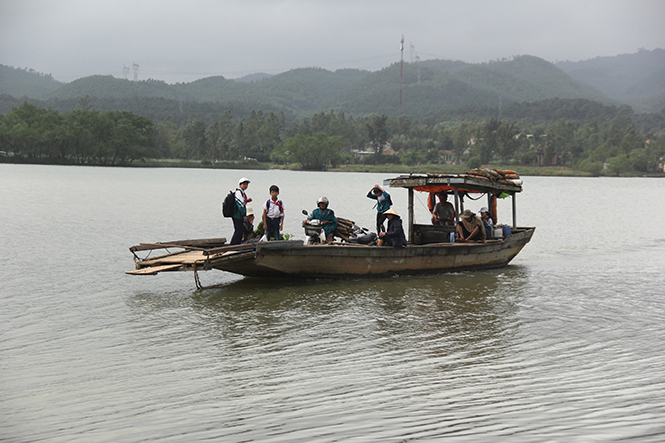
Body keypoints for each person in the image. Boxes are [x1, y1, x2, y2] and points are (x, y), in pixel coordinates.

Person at [230, 177, 252, 245]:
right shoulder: (238, 193)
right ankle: (233, 245)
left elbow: (241, 203)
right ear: (240, 184)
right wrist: (244, 215)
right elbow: (240, 205)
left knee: (239, 231)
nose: (245, 186)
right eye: (244, 184)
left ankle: (236, 245)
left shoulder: (241, 193)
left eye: (246, 184)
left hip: (238, 215)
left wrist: (246, 201)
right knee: (238, 231)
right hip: (237, 215)